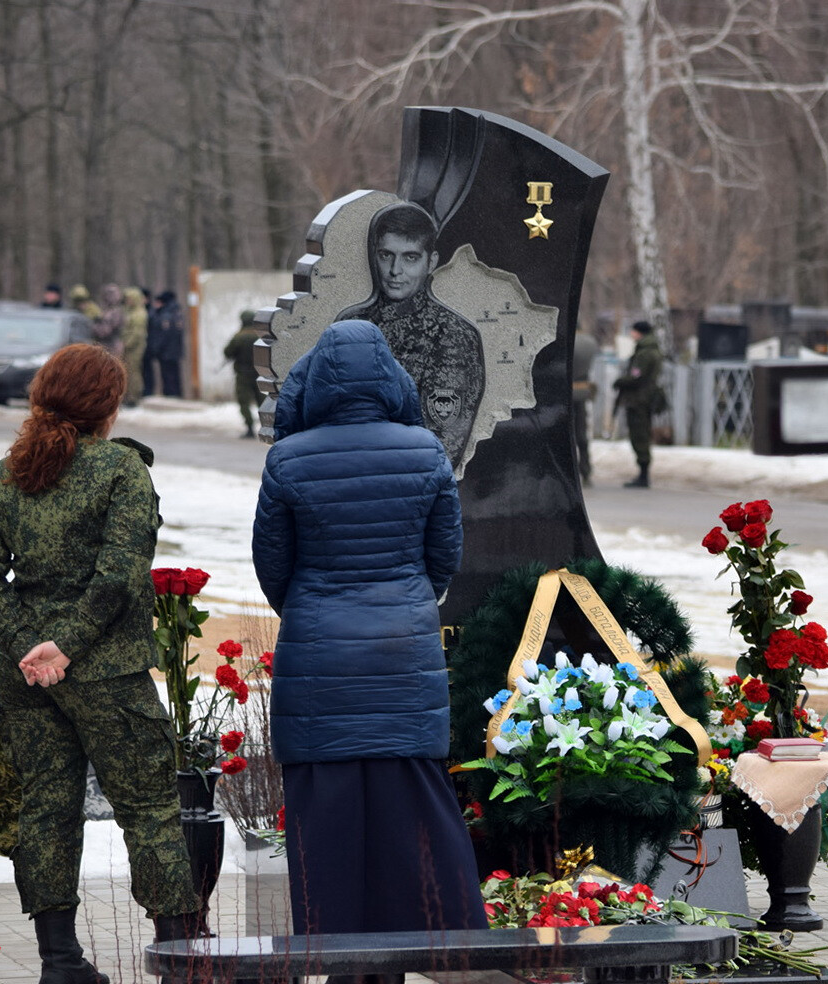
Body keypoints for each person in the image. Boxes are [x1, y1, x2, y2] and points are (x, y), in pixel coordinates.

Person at [0, 344, 202, 982]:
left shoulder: (2, 476)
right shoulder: (121, 472)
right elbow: (120, 575)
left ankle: (60, 964)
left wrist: (27, 646)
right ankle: (178, 959)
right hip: (107, 674)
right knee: (149, 809)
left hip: (27, 679)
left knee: (46, 810)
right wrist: (63, 646)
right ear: (108, 406)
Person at [252, 320, 485, 947]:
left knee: (323, 836)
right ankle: (437, 949)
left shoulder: (288, 459)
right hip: (402, 654)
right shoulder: (425, 451)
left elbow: (273, 568)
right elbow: (443, 561)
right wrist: (405, 598)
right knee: (414, 824)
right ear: (389, 378)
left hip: (319, 666)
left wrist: (312, 607)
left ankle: (342, 960)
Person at [339, 202, 484, 468]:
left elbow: (440, 446)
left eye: (410, 258)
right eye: (386, 255)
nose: (395, 271)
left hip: (400, 486)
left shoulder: (452, 334)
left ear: (431, 263)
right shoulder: (350, 324)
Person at [612, 320, 663, 488]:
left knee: (639, 435)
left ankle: (643, 475)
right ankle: (643, 474)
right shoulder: (652, 350)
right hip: (645, 398)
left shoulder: (644, 353)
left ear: (639, 332)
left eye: (633, 331)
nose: (631, 334)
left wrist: (620, 381)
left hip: (638, 400)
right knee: (642, 434)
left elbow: (636, 376)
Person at [223, 310, 262, 438]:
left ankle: (250, 427)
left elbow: (228, 352)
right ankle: (268, 426)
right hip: (260, 373)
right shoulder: (260, 335)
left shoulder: (239, 336)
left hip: (243, 374)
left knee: (244, 402)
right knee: (262, 401)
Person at [571, 328, 599, 486]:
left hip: (566, 392)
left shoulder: (567, 340)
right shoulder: (589, 343)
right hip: (582, 391)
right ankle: (586, 470)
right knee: (582, 435)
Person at [151, 290, 185, 397]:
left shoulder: (165, 314)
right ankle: (176, 394)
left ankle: (171, 395)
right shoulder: (176, 312)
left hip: (166, 351)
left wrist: (156, 348)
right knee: (174, 374)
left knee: (168, 375)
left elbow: (162, 334)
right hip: (174, 350)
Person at [121, 287, 148, 408]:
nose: (128, 301)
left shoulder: (139, 313)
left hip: (134, 348)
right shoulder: (129, 311)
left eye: (130, 299)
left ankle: (134, 397)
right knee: (128, 371)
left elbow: (137, 333)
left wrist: (126, 344)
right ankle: (128, 396)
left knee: (133, 372)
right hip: (128, 346)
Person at [94, 283, 125, 357]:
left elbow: (105, 331)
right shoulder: (105, 310)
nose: (108, 297)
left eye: (111, 295)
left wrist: (94, 328)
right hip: (104, 345)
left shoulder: (116, 312)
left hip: (112, 346)